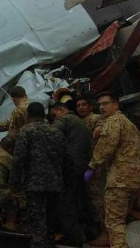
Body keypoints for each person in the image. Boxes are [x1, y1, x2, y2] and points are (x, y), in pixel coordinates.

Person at [84, 92, 140, 248]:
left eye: (106, 103)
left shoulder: (113, 122)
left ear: (116, 105)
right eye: (100, 105)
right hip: (135, 177)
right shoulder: (130, 124)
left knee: (114, 221)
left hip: (120, 178)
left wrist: (91, 166)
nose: (102, 107)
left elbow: (105, 149)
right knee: (120, 218)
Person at [10, 102, 67, 248]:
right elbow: (64, 158)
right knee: (50, 223)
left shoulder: (26, 131)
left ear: (29, 115)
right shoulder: (57, 132)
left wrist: (14, 185)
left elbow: (19, 159)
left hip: (35, 186)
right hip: (55, 184)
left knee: (38, 224)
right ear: (44, 115)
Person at [50, 102, 93, 245]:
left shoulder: (66, 119)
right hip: (81, 169)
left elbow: (50, 133)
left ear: (60, 110)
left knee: (66, 204)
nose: (54, 118)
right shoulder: (80, 122)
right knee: (77, 202)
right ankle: (85, 234)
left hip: (70, 169)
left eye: (54, 115)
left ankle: (74, 239)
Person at [75, 96, 107, 243]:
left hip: (96, 167)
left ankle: (105, 230)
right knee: (89, 197)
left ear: (90, 107)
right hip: (86, 165)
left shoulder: (94, 118)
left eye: (83, 105)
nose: (81, 107)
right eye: (78, 105)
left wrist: (99, 128)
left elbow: (101, 122)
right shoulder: (80, 121)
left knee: (97, 198)